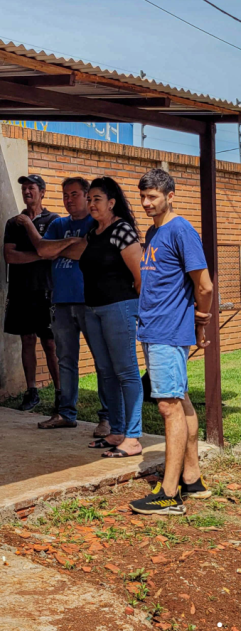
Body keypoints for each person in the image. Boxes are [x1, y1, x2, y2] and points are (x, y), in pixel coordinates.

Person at [130, 168, 214, 516]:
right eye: (143, 197)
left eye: (153, 197)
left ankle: (169, 494)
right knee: (178, 398)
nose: (147, 203)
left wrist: (200, 322)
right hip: (154, 328)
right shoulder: (154, 231)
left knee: (168, 407)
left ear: (170, 196)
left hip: (168, 330)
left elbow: (204, 286)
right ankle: (192, 478)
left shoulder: (181, 230)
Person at [58, 177, 143, 459]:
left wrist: (144, 312)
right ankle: (116, 431)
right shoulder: (94, 232)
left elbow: (140, 277)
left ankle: (133, 437)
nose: (92, 204)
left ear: (111, 202)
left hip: (119, 307)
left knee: (126, 371)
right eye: (90, 199)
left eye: (97, 199)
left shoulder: (123, 230)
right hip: (92, 309)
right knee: (105, 371)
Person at [24, 177, 110, 436]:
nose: (69, 199)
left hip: (90, 301)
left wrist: (59, 248)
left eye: (74, 194)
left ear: (86, 196)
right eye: (65, 195)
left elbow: (85, 251)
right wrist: (69, 245)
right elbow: (41, 249)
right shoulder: (59, 224)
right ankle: (66, 413)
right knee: (66, 360)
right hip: (61, 302)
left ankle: (107, 418)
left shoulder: (95, 224)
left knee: (101, 360)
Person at [3, 174, 61, 412]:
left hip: (46, 291)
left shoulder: (55, 221)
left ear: (42, 192)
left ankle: (60, 393)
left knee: (50, 343)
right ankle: (31, 391)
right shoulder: (14, 223)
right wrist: (40, 254)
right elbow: (10, 256)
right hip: (21, 291)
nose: (27, 192)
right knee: (26, 340)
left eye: (32, 188)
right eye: (24, 188)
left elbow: (55, 252)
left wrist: (43, 253)